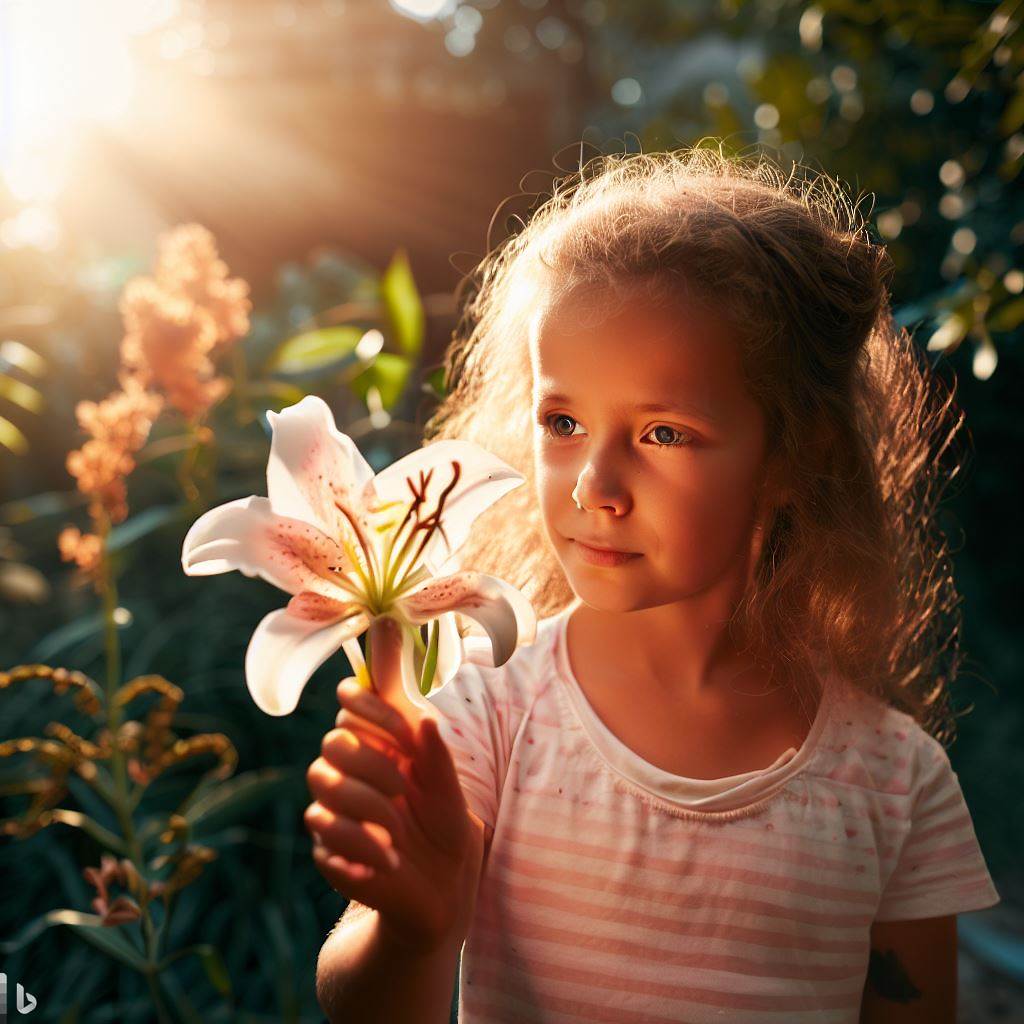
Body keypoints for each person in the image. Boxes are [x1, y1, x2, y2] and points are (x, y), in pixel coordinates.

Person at [305, 144, 1000, 1023]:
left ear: (796, 453)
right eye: (563, 421)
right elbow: (367, 1005)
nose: (595, 483)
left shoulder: (899, 785)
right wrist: (411, 930)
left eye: (664, 433)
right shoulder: (484, 716)